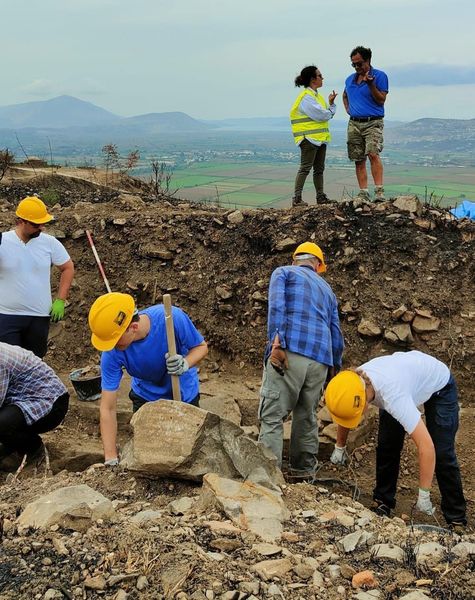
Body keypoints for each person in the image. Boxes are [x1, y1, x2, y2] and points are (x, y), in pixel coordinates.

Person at [325, 350, 467, 528]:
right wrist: (340, 446)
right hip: (406, 379)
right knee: (387, 445)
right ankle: (382, 501)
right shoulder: (352, 383)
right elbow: (345, 411)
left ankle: (456, 517)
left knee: (442, 452)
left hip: (439, 385)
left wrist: (424, 494)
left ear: (365, 394)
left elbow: (426, 446)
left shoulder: (394, 396)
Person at [88, 292, 208, 465]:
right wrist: (111, 457)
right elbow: (108, 408)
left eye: (115, 341)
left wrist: (186, 363)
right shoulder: (111, 352)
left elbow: (201, 347)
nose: (112, 346)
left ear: (133, 327)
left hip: (183, 396)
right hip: (146, 400)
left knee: (186, 456)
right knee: (150, 458)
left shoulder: (171, 318)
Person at [258, 242, 344, 478]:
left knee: (272, 416)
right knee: (306, 417)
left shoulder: (284, 272)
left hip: (290, 352)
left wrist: (277, 343)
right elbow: (336, 332)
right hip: (320, 362)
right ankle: (303, 473)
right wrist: (334, 369)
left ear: (296, 259)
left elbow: (277, 306)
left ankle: (268, 478)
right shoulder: (328, 291)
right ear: (318, 264)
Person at [0, 196, 75, 358]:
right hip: (6, 316)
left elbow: (68, 268)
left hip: (38, 317)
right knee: (8, 364)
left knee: (34, 365)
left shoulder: (50, 243)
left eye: (43, 223)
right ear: (21, 221)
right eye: (36, 224)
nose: (41, 227)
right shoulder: (2, 241)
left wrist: (60, 300)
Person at [0, 342, 69, 470]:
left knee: (2, 424)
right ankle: (13, 447)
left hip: (50, 403)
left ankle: (33, 448)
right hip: (21, 398)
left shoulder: (1, 360)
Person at [342, 46, 389, 202]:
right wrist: (349, 109)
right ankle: (363, 192)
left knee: (373, 154)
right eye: (353, 64)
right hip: (354, 123)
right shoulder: (349, 79)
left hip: (372, 122)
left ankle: (379, 192)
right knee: (358, 158)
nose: (357, 67)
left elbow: (381, 99)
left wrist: (371, 85)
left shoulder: (379, 76)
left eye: (359, 63)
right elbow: (345, 95)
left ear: (368, 60)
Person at [290, 65, 338, 207]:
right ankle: (297, 199)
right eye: (320, 75)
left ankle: (320, 197)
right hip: (309, 139)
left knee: (319, 169)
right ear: (313, 79)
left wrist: (330, 105)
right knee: (305, 168)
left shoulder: (316, 97)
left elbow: (324, 115)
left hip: (319, 139)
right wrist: (331, 109)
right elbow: (322, 115)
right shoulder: (307, 98)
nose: (322, 78)